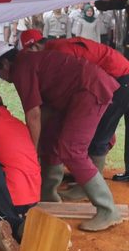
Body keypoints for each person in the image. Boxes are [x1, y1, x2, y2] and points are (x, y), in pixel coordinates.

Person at [0, 41, 121, 232]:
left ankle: (108, 210)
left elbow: (33, 114)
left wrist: (30, 156)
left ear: (5, 64)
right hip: (77, 93)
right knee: (50, 134)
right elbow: (42, 113)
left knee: (72, 151)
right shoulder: (27, 62)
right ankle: (48, 194)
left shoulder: (21, 69)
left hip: (88, 90)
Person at [20, 30, 129, 186]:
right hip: (117, 78)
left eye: (28, 54)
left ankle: (89, 188)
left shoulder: (59, 51)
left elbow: (80, 82)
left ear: (36, 47)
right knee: (96, 132)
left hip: (119, 80)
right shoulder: (57, 47)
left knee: (98, 136)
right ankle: (88, 181)